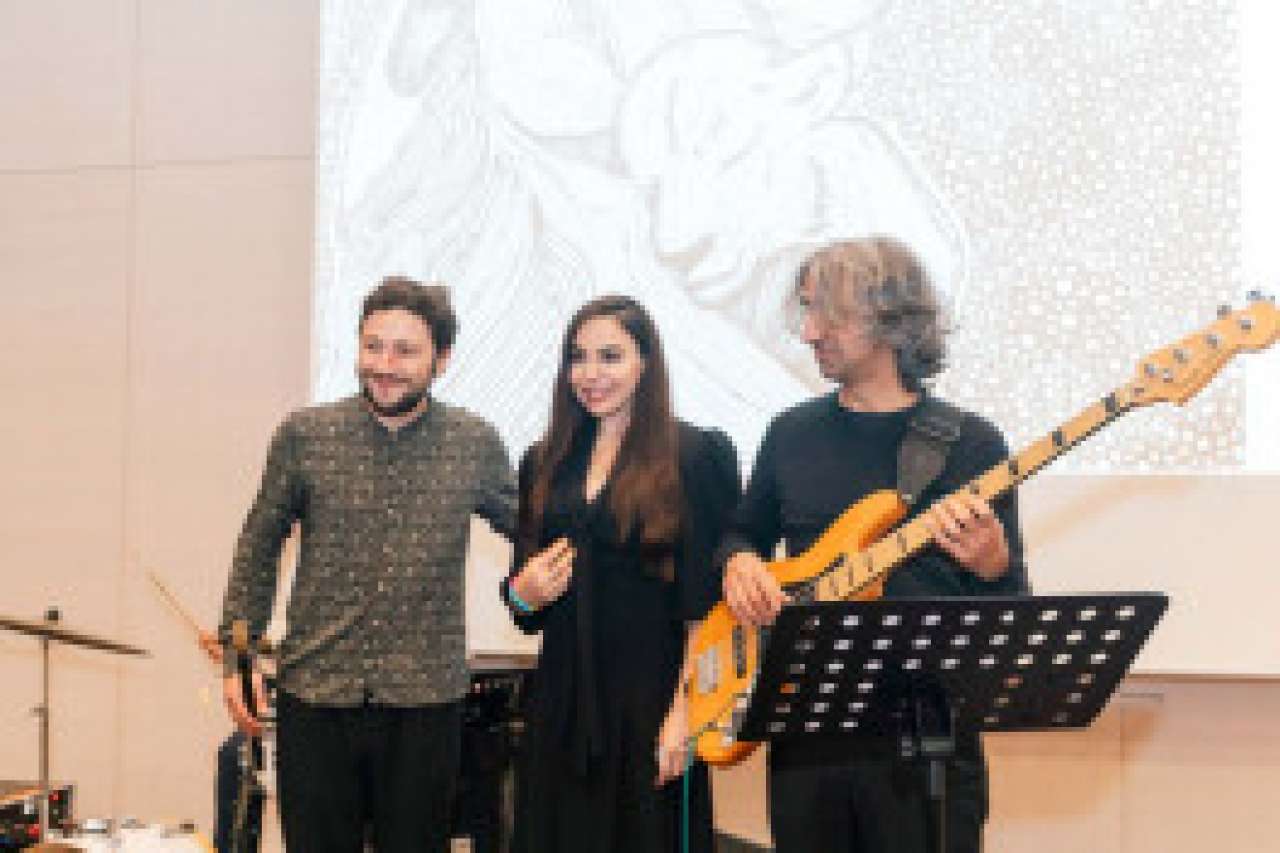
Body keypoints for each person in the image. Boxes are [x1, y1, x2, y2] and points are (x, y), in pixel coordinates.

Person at [718, 236, 1029, 853]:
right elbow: (741, 531)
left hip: (926, 743)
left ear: (890, 318)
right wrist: (739, 561)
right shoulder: (790, 434)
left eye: (827, 313)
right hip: (808, 738)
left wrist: (994, 565)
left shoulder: (972, 444)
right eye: (807, 309)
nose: (809, 332)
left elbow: (1010, 606)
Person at [219, 276, 517, 853]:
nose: (384, 365)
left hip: (426, 704)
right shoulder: (305, 435)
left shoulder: (474, 443)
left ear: (442, 360)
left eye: (405, 351)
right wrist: (240, 653)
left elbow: (534, 535)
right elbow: (259, 542)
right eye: (373, 346)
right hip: (315, 696)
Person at [501, 295, 740, 853]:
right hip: (560, 706)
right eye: (578, 357)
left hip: (653, 704)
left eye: (610, 356)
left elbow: (707, 608)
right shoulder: (543, 461)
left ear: (645, 363)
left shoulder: (695, 454)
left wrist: (685, 714)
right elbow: (521, 605)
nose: (591, 374)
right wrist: (524, 593)